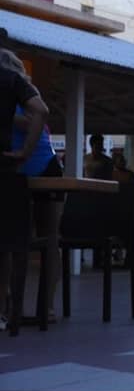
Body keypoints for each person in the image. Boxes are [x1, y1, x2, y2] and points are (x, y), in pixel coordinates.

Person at [0, 50, 52, 330]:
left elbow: (35, 119)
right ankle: (15, 310)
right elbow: (40, 114)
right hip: (15, 169)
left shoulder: (17, 87)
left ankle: (27, 307)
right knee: (20, 241)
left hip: (31, 166)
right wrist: (23, 153)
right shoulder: (15, 84)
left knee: (15, 242)